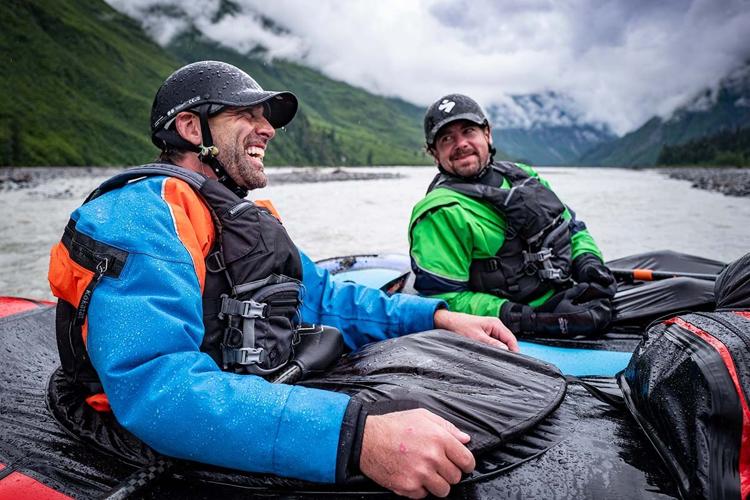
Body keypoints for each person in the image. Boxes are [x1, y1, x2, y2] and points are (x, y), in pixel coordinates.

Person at [47, 61, 518, 499]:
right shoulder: (139, 216)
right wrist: (354, 437)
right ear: (192, 128)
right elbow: (156, 387)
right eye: (247, 114)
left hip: (247, 398)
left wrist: (439, 316)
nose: (268, 129)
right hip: (153, 442)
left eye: (266, 117)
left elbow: (327, 299)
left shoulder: (235, 216)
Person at [408, 93, 616, 338]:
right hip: (518, 321)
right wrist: (525, 318)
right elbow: (444, 300)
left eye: (468, 131)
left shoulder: (523, 175)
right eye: (447, 139)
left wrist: (588, 262)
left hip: (567, 292)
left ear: (487, 133)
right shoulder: (439, 213)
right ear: (434, 153)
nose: (461, 143)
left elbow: (571, 227)